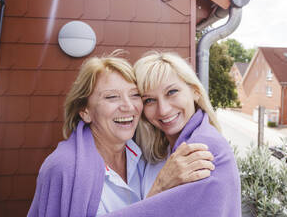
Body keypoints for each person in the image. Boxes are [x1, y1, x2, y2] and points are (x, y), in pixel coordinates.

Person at [27, 52, 215, 217]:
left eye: (135, 95)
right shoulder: (63, 168)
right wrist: (160, 189)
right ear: (85, 111)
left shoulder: (144, 156)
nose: (128, 106)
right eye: (111, 97)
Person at [107, 52, 241, 216]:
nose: (163, 110)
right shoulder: (159, 150)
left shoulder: (202, 149)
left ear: (195, 91)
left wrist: (160, 186)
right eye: (149, 100)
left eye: (172, 92)